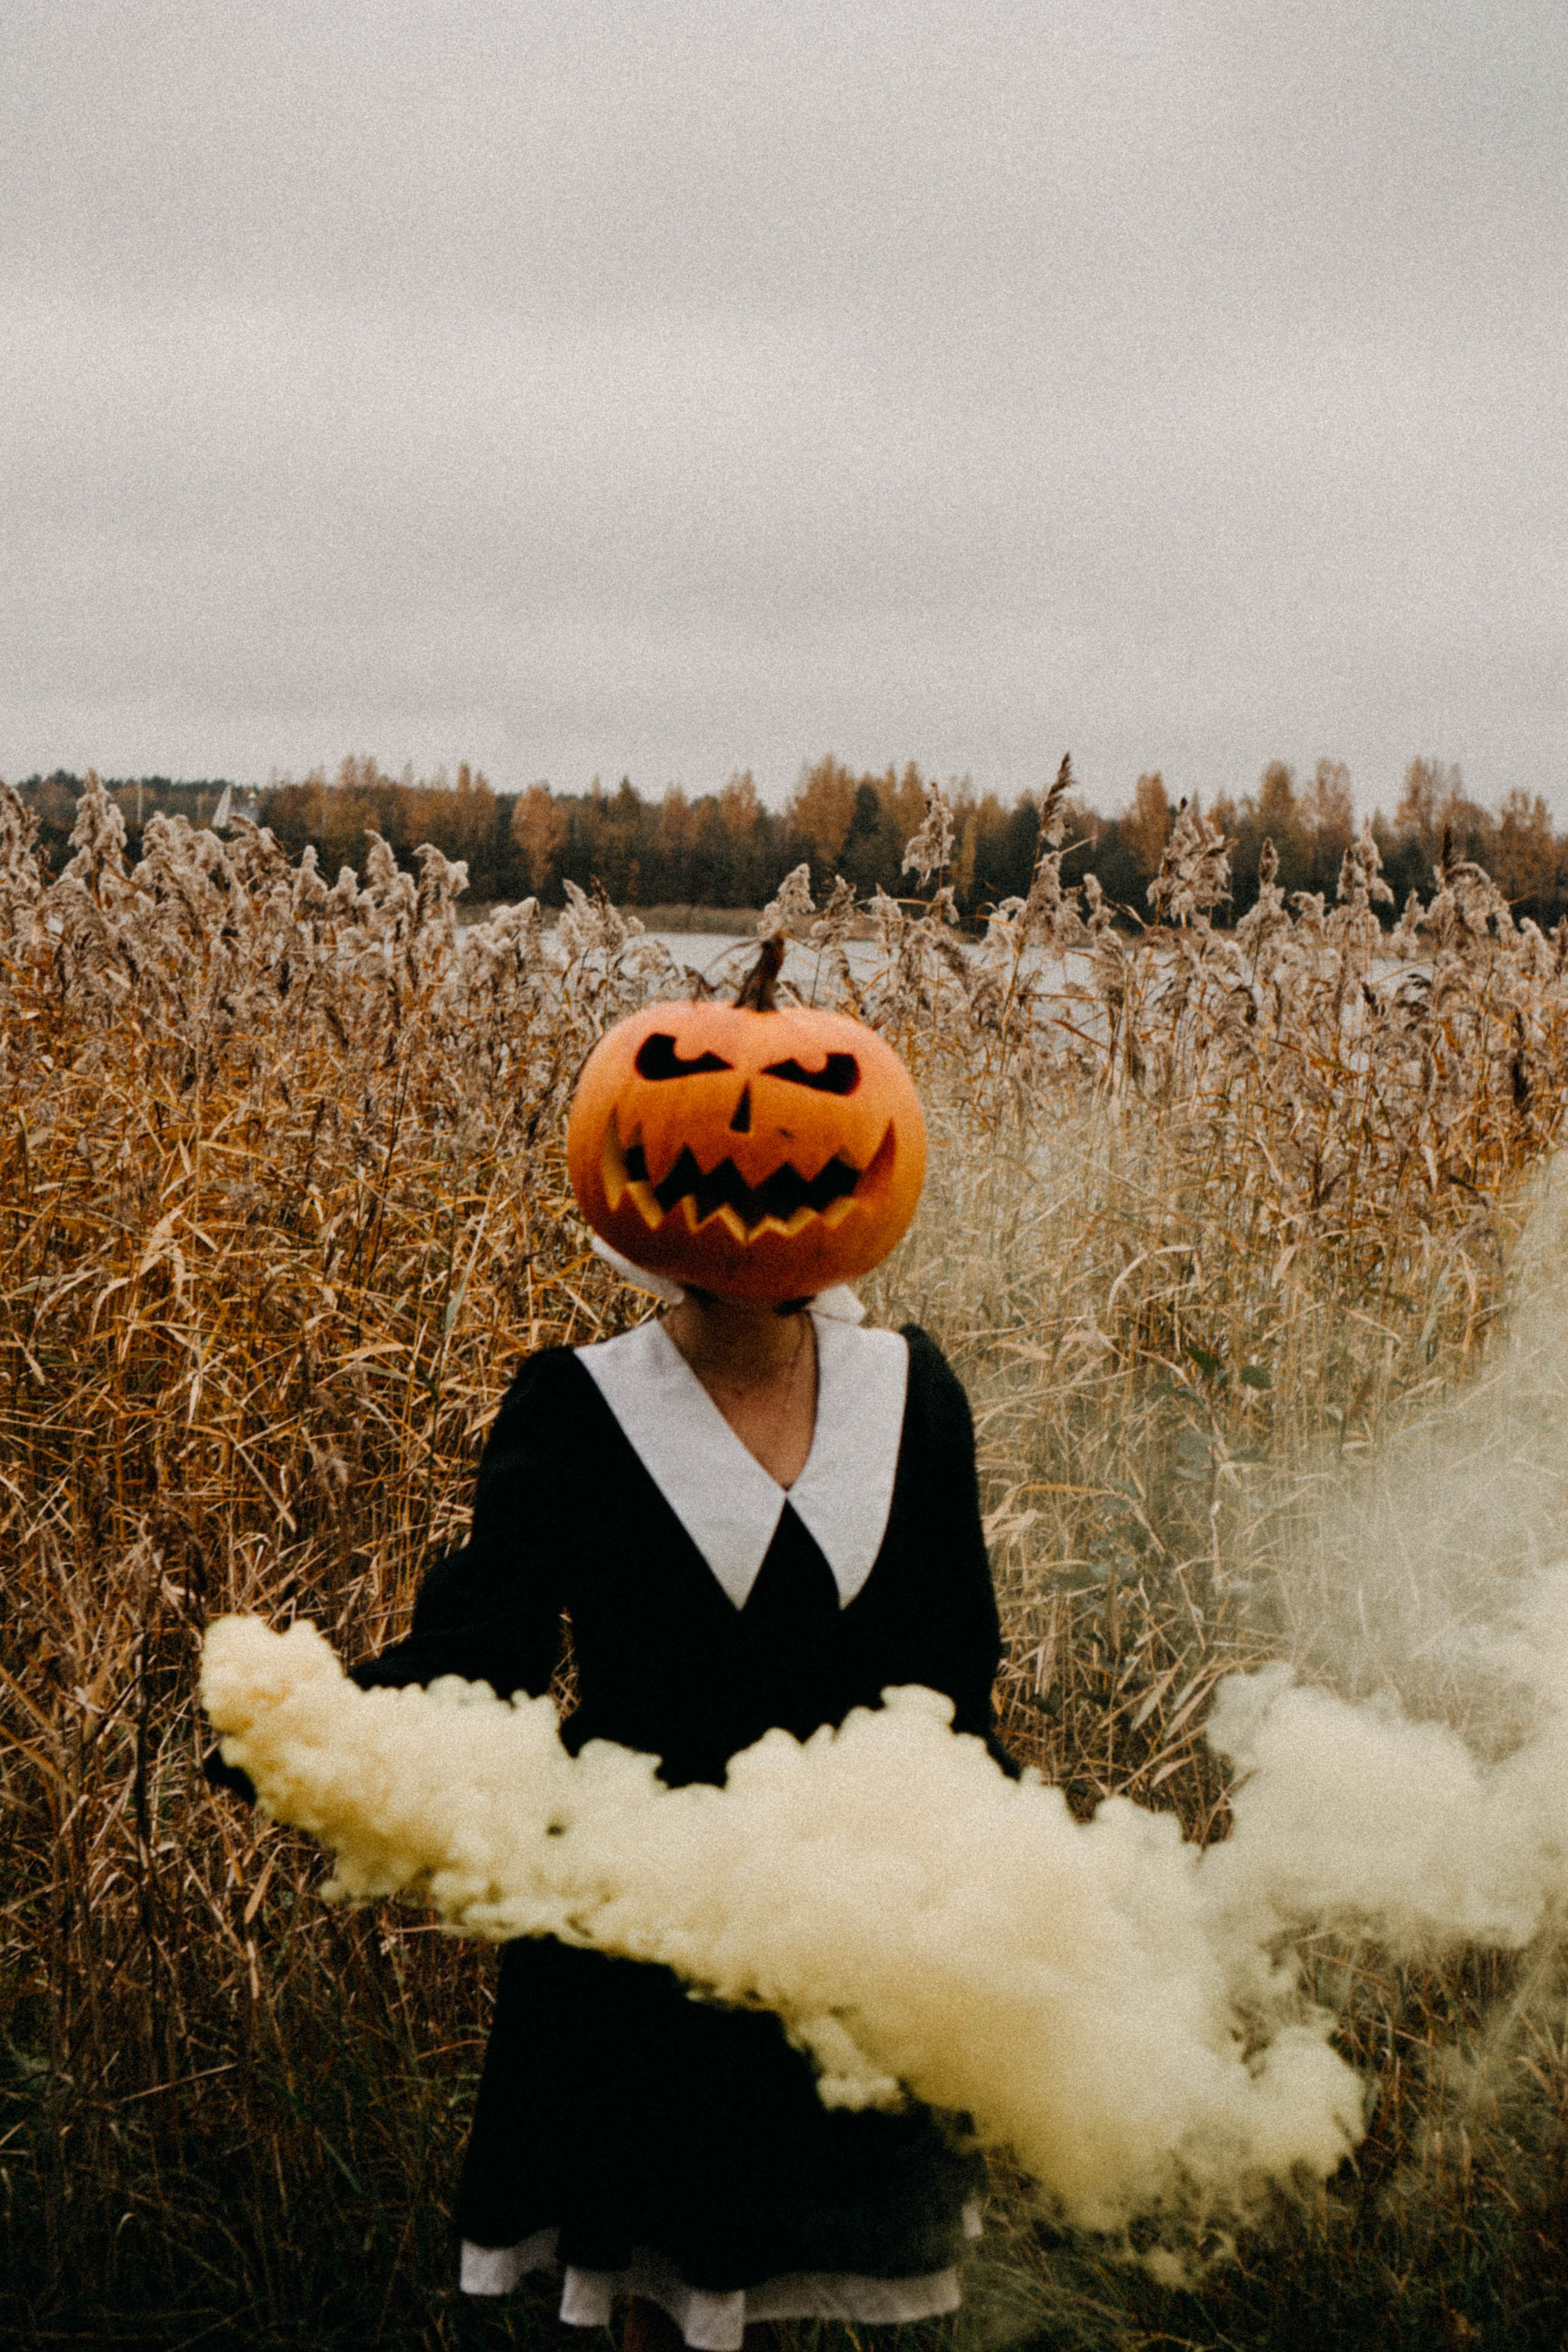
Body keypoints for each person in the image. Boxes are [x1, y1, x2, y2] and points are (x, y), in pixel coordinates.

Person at [213, 965, 1016, 2352]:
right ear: (623, 1159)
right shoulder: (577, 1408)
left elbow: (955, 1680)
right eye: (701, 1102)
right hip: (643, 1921)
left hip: (855, 1893)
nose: (759, 1143)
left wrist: (1018, 1894)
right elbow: (486, 1662)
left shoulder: (916, 1397)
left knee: (846, 2304)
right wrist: (308, 1733)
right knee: (665, 2299)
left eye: (817, 1101)